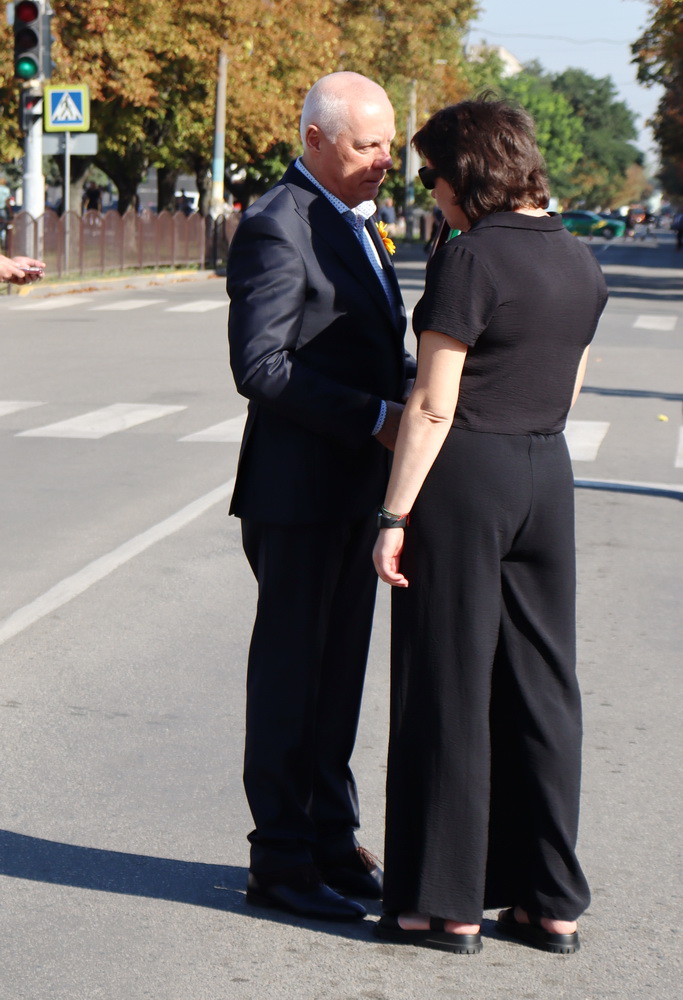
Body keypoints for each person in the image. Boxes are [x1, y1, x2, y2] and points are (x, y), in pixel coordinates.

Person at [372, 97, 608, 955]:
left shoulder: (468, 258)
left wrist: (393, 514)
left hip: (467, 476)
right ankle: (549, 901)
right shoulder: (579, 257)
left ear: (463, 174)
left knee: (446, 683)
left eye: (431, 174)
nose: (429, 190)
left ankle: (444, 905)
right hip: (547, 468)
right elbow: (570, 384)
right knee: (543, 687)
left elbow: (433, 404)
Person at [227, 71, 415, 922]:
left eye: (388, 145)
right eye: (366, 145)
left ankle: (332, 837)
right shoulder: (278, 224)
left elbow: (371, 350)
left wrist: (425, 394)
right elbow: (260, 367)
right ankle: (280, 857)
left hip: (352, 490)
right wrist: (376, 417)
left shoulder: (359, 220)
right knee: (291, 679)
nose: (384, 160)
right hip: (297, 494)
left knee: (337, 678)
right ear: (313, 140)